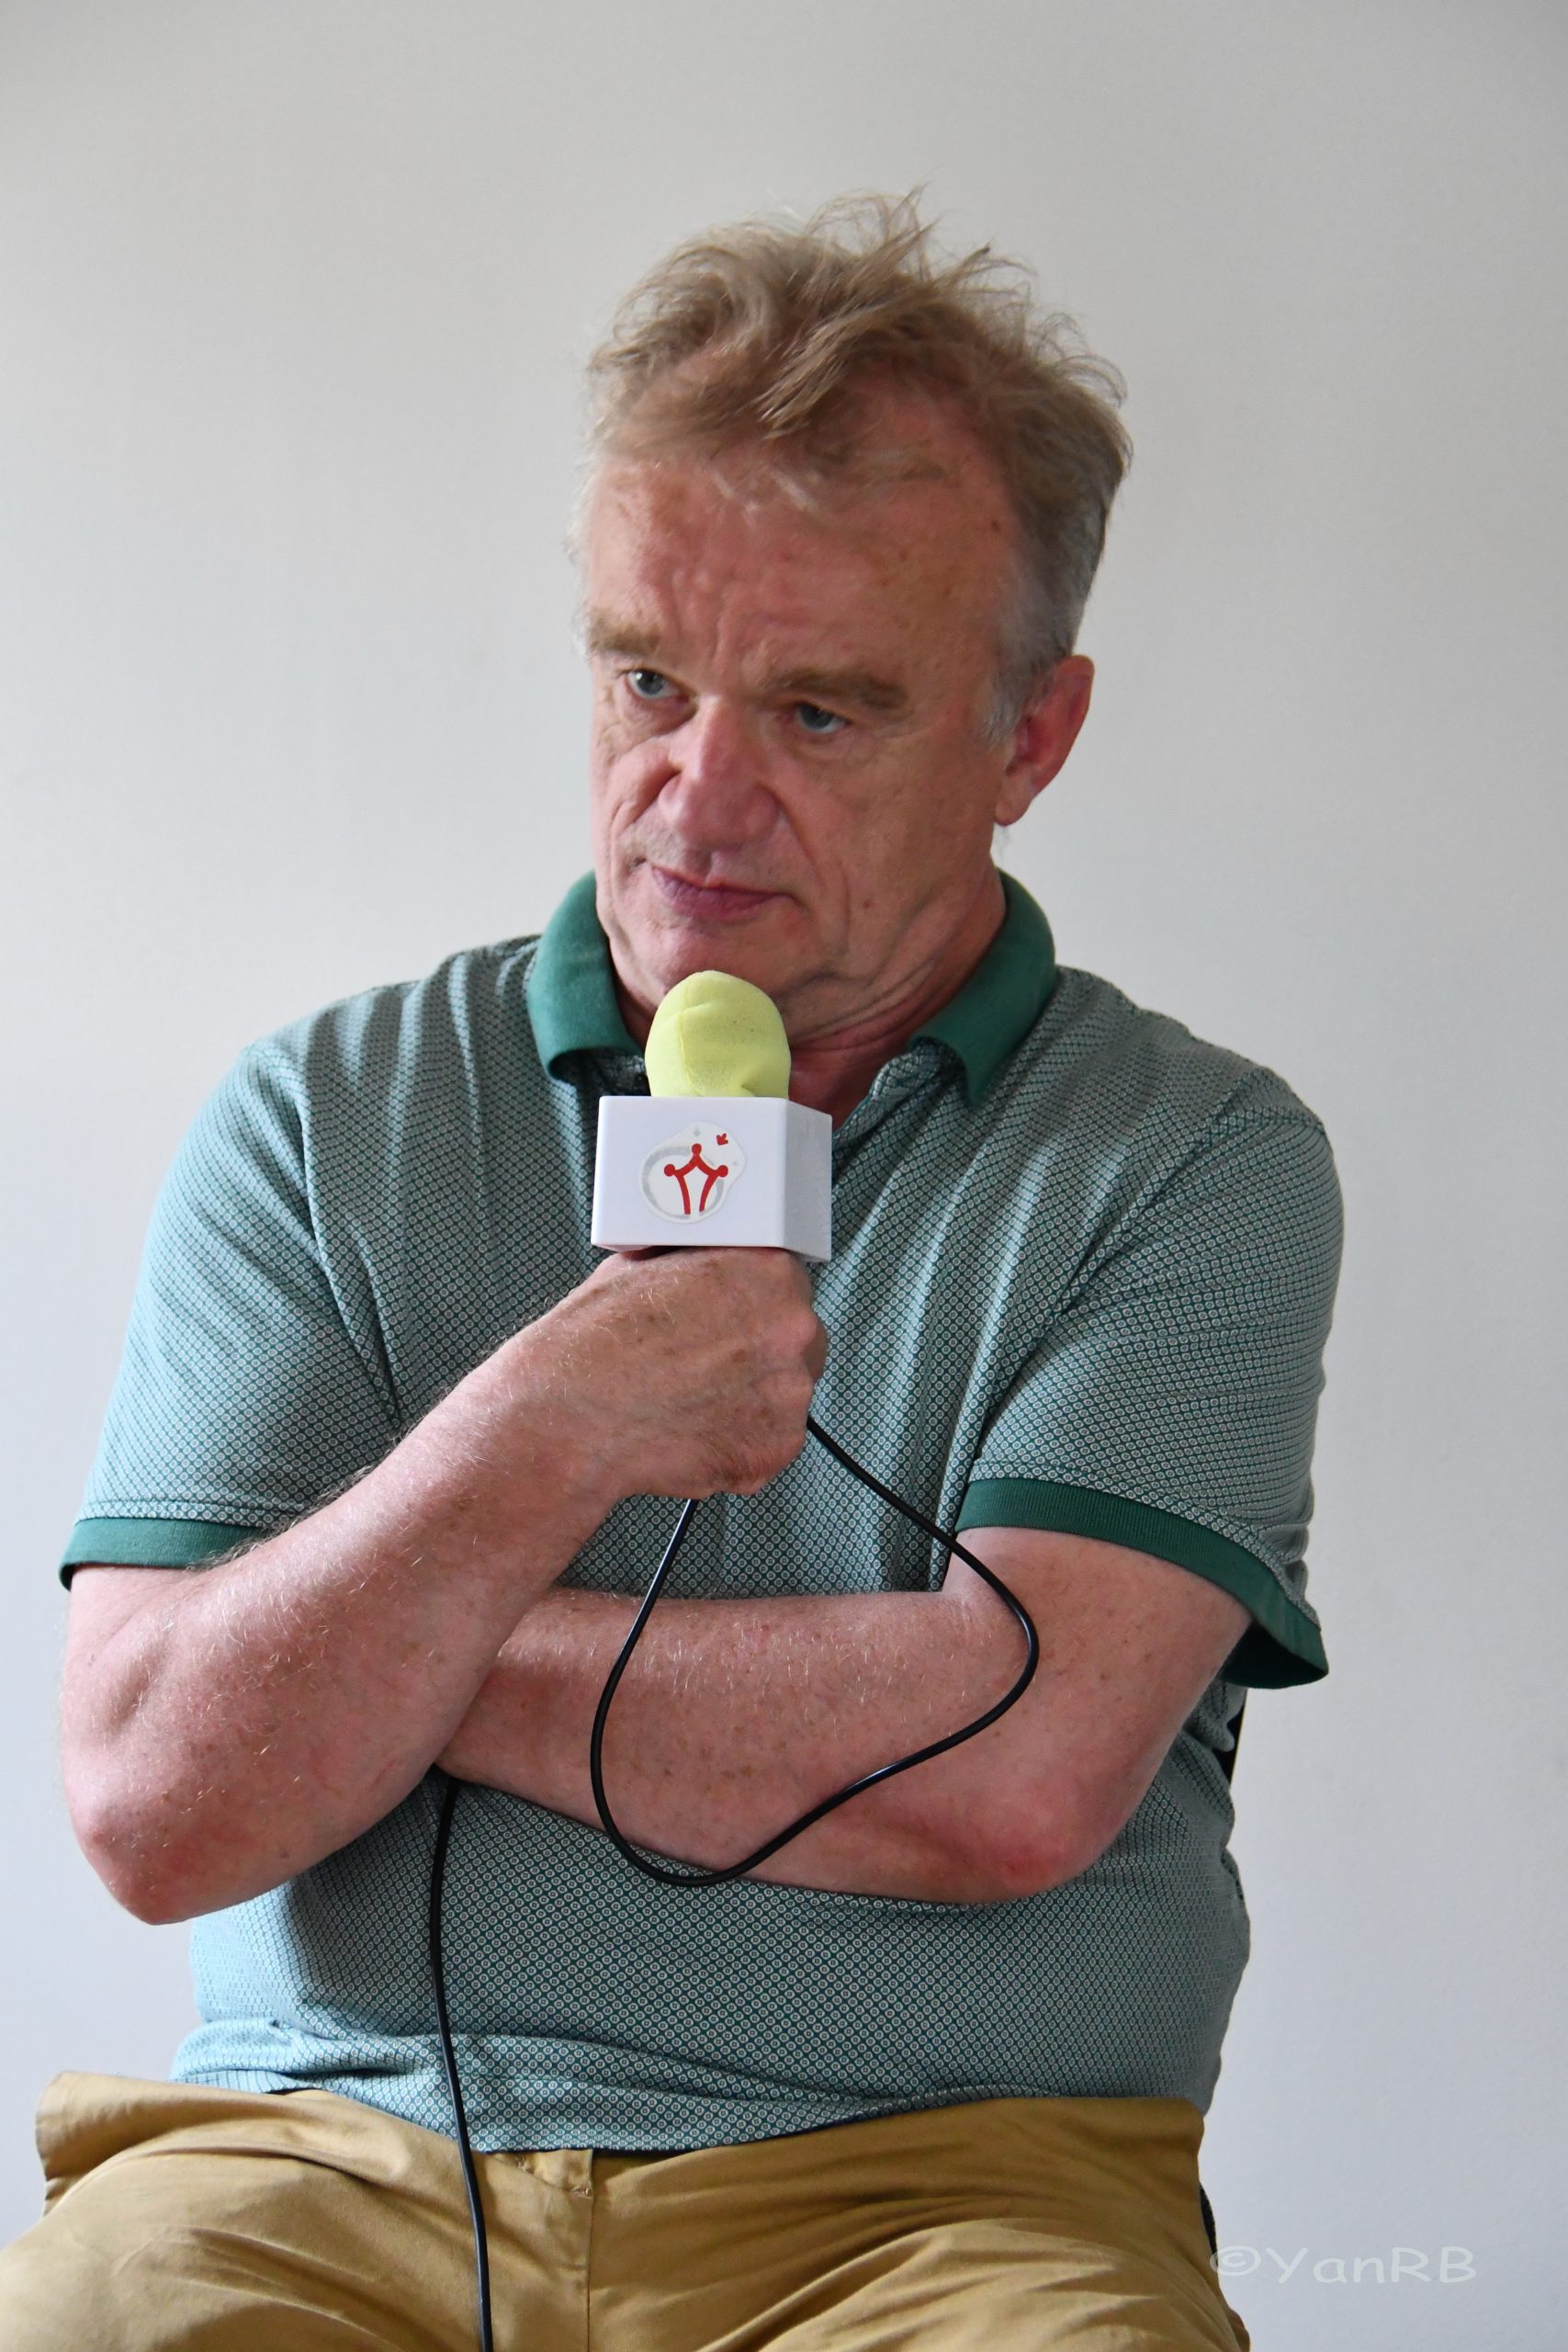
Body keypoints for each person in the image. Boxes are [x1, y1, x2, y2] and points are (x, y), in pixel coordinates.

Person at [6, 198, 1340, 2349]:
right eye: (645, 677)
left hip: (943, 2190)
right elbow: (163, 1799)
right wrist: (541, 1433)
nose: (693, 803)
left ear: (1027, 735)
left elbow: (1007, 1773)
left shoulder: (1191, 1157)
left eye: (819, 711)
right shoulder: (325, 1112)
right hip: (322, 2168)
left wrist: (385, 1653)